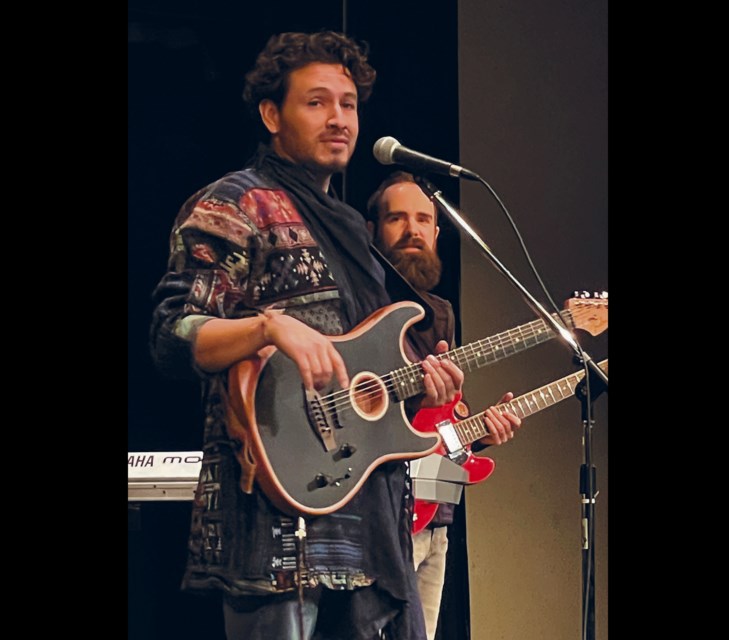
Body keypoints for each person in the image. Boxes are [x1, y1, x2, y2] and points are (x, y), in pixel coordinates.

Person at [149, 32, 466, 640]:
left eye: (348, 104)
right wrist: (269, 325)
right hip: (272, 523)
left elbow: (362, 380)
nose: (339, 119)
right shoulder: (234, 203)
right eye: (317, 103)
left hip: (367, 521)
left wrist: (420, 391)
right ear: (272, 114)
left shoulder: (353, 232)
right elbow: (172, 334)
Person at [365, 171, 522, 640]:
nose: (412, 229)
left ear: (437, 232)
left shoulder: (440, 313)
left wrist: (477, 428)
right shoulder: (361, 307)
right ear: (372, 230)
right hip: (380, 521)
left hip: (436, 515)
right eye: (397, 218)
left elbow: (438, 422)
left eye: (423, 219)